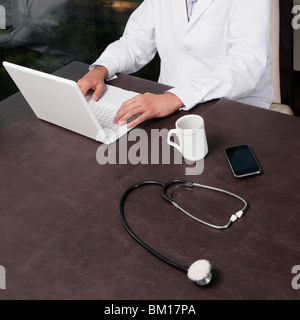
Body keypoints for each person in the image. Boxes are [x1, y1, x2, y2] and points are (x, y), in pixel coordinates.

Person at [77, 0, 273, 128]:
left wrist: (175, 97)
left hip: (234, 108)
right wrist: (102, 69)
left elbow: (245, 65)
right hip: (166, 107)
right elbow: (135, 41)